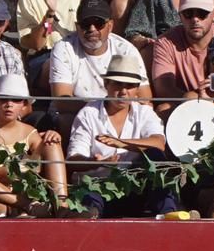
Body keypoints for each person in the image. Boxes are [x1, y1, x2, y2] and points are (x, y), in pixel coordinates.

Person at [68, 54, 174, 216]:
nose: (123, 92)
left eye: (130, 86)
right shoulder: (88, 114)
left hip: (136, 189)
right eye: (118, 84)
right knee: (90, 198)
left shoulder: (145, 113)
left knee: (155, 155)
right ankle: (88, 221)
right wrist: (96, 163)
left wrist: (121, 143)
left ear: (137, 89)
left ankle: (170, 215)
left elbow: (158, 144)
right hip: (99, 187)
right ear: (106, 84)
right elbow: (73, 160)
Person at [0, 73, 67, 217]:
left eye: (16, 99)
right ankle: (26, 208)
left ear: (24, 105)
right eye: (3, 99)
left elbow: (39, 164)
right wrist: (7, 172)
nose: (9, 104)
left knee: (52, 143)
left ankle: (61, 205)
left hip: (22, 191)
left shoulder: (30, 132)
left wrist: (53, 136)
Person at [49, 0, 147, 125]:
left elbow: (145, 97)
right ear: (77, 26)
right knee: (67, 119)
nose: (92, 29)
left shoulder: (126, 50)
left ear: (110, 25)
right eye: (85, 24)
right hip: (80, 115)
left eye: (98, 23)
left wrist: (111, 111)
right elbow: (62, 102)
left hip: (119, 114)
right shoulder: (63, 48)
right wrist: (104, 108)